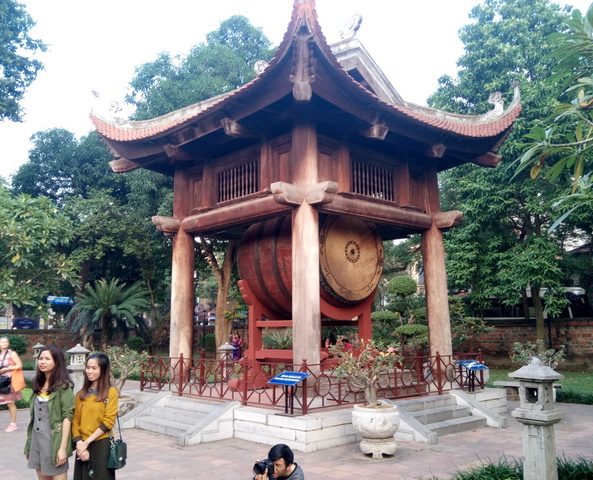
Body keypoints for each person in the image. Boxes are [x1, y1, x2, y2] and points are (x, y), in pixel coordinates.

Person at [24, 344, 74, 480]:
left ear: (56, 362)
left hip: (54, 442)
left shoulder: (64, 387)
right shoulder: (37, 384)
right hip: (36, 442)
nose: (42, 362)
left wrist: (63, 448)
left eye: (47, 359)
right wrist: (28, 445)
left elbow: (67, 417)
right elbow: (34, 419)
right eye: (41, 358)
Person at [72, 352, 119, 480]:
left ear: (103, 370)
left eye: (94, 368)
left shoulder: (111, 392)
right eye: (88, 367)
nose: (89, 371)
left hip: (101, 444)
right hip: (82, 445)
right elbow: (75, 420)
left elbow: (108, 421)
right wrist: (79, 443)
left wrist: (87, 442)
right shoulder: (81, 394)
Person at [0, 335, 25, 432]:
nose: (4, 344)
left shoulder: (12, 353)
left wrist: (7, 368)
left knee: (10, 403)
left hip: (8, 382)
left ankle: (13, 424)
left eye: (6, 342)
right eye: (2, 342)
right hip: (0, 380)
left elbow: (19, 365)